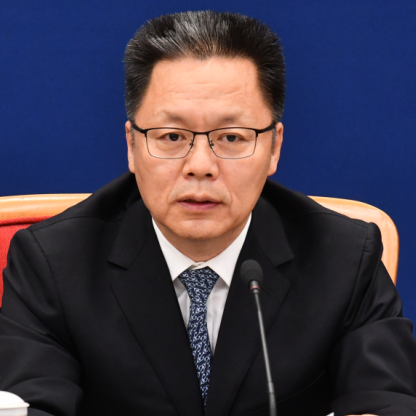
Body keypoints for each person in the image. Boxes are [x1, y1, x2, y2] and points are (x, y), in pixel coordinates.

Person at [0, 10, 415, 416]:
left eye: (232, 137)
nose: (200, 165)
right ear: (132, 145)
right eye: (172, 136)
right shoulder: (54, 263)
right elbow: (28, 403)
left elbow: (385, 399)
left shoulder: (344, 259)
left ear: (274, 147)